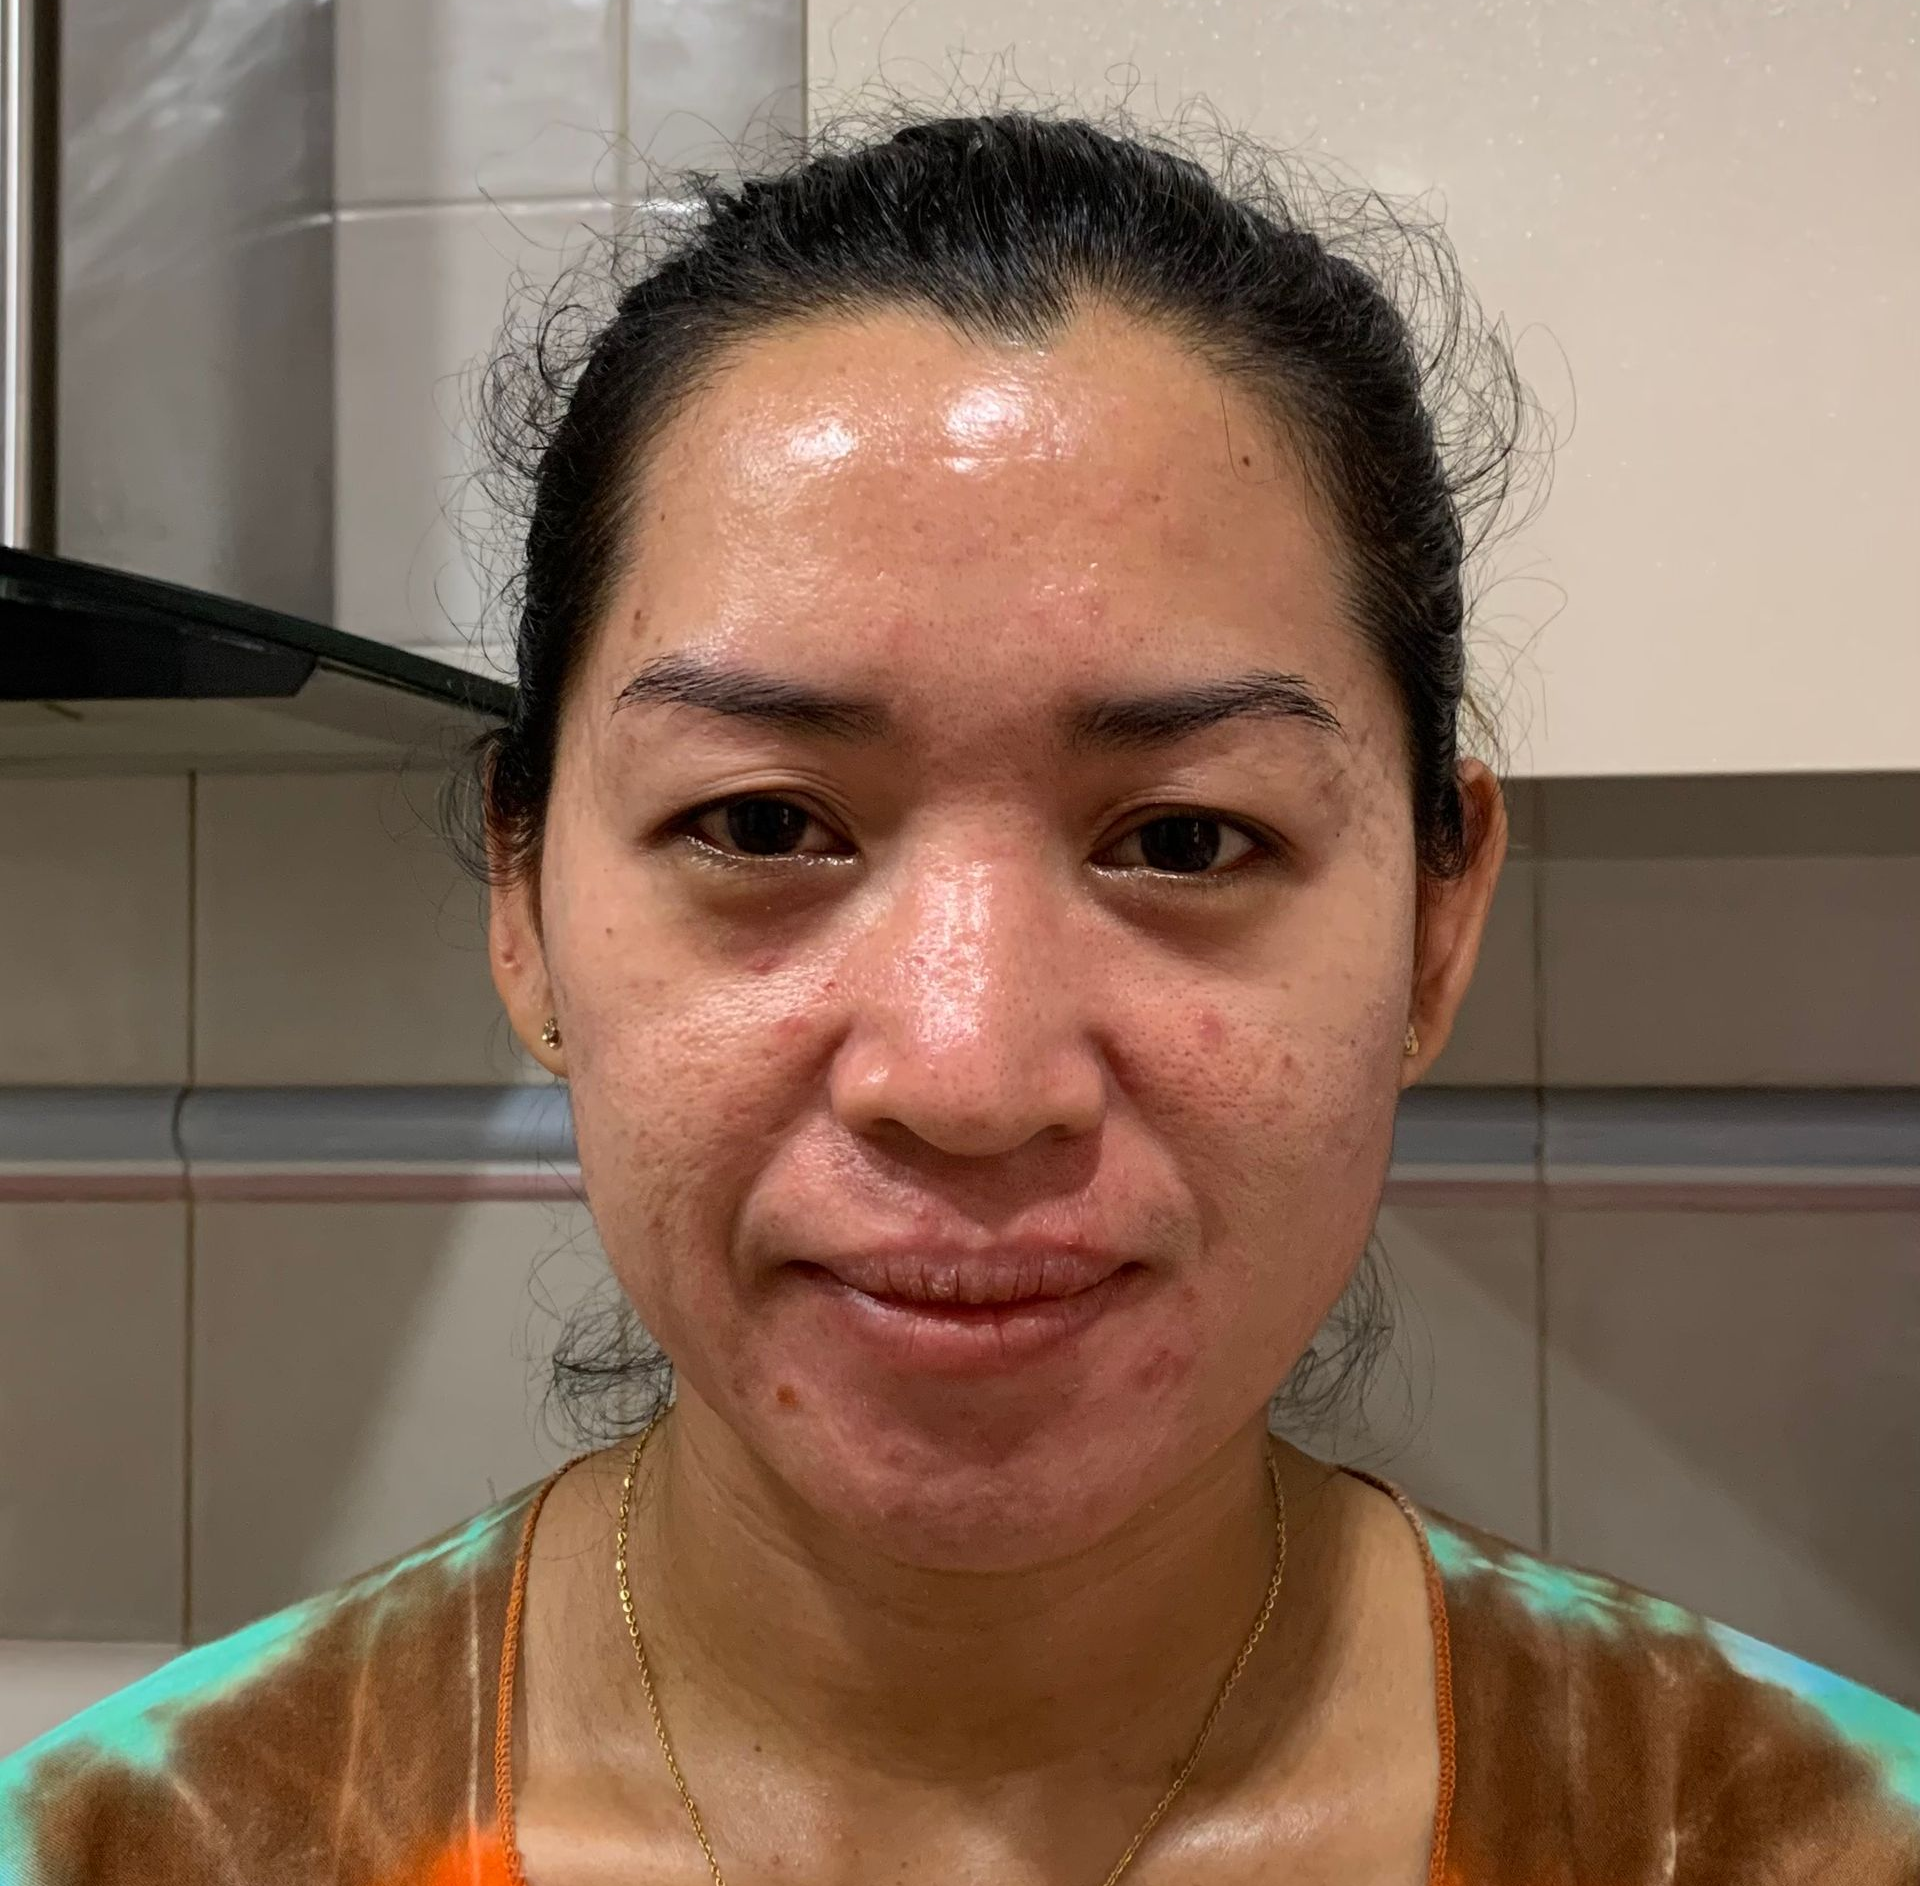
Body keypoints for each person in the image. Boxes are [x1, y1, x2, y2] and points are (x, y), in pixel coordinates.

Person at [2, 110, 1915, 1886]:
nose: (972, 1072)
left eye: (1182, 841)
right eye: (765, 820)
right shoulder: (144, 1841)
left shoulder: (1783, 1834)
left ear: (1433, 923)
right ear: (523, 897)